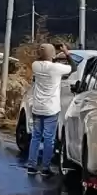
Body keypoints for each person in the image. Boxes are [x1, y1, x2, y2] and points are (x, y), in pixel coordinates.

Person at [26, 42, 72, 177]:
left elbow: (42, 60)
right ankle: (45, 168)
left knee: (35, 137)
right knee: (49, 139)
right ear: (52, 55)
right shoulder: (57, 68)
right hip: (51, 108)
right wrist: (66, 52)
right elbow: (73, 67)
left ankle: (31, 166)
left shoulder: (36, 66)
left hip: (37, 107)